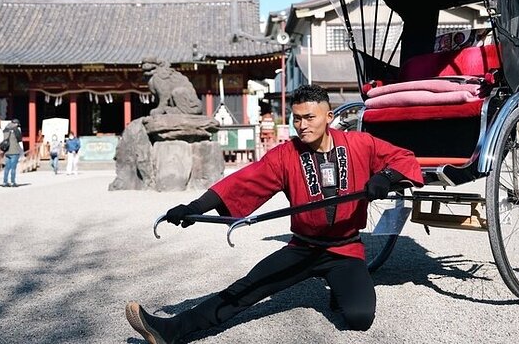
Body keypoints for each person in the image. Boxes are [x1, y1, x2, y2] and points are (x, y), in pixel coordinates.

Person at [125, 84, 423, 343]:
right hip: (303, 248)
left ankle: (337, 286)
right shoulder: (284, 155)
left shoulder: (362, 144)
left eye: (310, 117)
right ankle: (171, 330)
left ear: (329, 118)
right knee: (246, 289)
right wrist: (193, 208)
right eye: (297, 119)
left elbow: (404, 158)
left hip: (346, 250)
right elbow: (242, 182)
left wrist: (386, 177)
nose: (302, 125)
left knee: (360, 317)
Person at [2, 119, 23, 187]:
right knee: (13, 168)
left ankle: (5, 182)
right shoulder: (16, 129)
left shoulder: (5, 129)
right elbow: (20, 139)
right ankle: (12, 182)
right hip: (14, 151)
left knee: (7, 168)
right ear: (16, 124)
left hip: (7, 151)